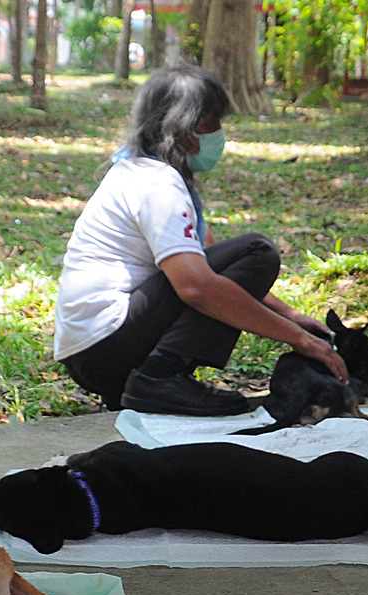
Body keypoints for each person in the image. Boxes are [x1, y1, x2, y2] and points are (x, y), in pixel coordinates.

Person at [53, 63, 348, 417]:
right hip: (105, 346)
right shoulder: (158, 186)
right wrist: (297, 339)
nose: (219, 135)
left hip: (95, 350)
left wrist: (291, 316)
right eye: (212, 124)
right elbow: (197, 287)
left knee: (236, 263)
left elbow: (211, 261)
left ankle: (148, 381)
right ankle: (160, 376)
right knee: (259, 252)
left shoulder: (146, 169)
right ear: (183, 129)